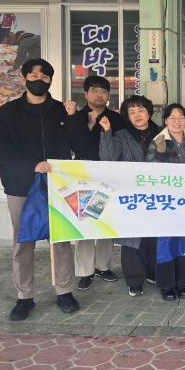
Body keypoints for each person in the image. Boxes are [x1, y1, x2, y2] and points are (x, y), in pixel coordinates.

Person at [0, 58, 87, 321]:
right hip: (20, 186)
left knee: (61, 241)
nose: (39, 81)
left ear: (50, 81)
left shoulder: (62, 111)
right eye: (33, 76)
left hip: (58, 188)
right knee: (23, 243)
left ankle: (64, 291)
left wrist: (73, 118)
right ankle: (24, 297)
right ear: (23, 79)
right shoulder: (5, 114)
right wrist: (32, 165)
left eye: (44, 77)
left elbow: (81, 145)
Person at [99, 95, 161, 298]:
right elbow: (108, 158)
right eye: (131, 112)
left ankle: (153, 272)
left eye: (140, 110)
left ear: (149, 112)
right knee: (133, 239)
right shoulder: (122, 135)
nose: (137, 115)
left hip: (157, 194)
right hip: (131, 196)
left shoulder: (162, 133)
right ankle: (134, 280)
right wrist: (106, 132)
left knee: (155, 235)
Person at [71, 76, 122, 292]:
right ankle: (85, 271)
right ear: (85, 94)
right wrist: (90, 124)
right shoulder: (76, 117)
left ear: (108, 95)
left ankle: (103, 266)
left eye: (103, 91)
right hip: (84, 175)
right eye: (94, 90)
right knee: (86, 222)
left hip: (108, 176)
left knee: (105, 223)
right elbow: (78, 145)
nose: (99, 95)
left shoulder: (116, 118)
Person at [147, 103, 185, 301]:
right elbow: (149, 170)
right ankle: (167, 285)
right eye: (172, 118)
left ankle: (184, 283)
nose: (177, 121)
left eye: (181, 117)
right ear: (166, 120)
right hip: (166, 201)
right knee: (165, 241)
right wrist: (160, 154)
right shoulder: (158, 141)